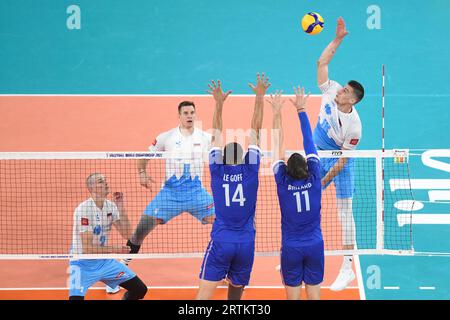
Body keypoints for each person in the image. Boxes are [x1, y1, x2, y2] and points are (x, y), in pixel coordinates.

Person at [106, 100, 216, 293]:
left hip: (197, 194)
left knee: (224, 223)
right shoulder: (167, 137)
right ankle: (118, 275)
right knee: (140, 231)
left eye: (192, 112)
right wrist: (141, 173)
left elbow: (220, 149)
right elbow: (145, 154)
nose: (189, 116)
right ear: (179, 116)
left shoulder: (205, 137)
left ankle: (222, 270)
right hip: (169, 195)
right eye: (186, 113)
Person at [196, 74, 270, 300]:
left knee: (204, 296)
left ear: (223, 158)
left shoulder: (217, 172)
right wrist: (259, 97)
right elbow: (256, 131)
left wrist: (218, 104)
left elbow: (216, 135)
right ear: (244, 157)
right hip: (246, 242)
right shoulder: (250, 171)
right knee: (236, 295)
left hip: (222, 240)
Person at [314, 17, 365, 291]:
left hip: (340, 163)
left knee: (345, 212)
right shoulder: (331, 90)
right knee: (306, 202)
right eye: (342, 87)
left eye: (345, 91)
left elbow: (344, 159)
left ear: (352, 100)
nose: (340, 89)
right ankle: (303, 252)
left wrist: (324, 181)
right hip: (316, 154)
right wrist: (338, 39)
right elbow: (321, 64)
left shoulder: (354, 126)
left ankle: (347, 267)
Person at [268, 87, 323, 300]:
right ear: (308, 167)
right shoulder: (315, 177)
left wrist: (276, 113)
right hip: (314, 245)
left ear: (287, 169)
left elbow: (277, 145)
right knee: (315, 295)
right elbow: (309, 142)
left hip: (291, 247)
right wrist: (301, 110)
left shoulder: (283, 182)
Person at [68, 173, 147, 300]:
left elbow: (127, 234)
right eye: (101, 181)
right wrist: (115, 249)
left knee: (140, 290)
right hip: (82, 264)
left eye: (105, 180)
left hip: (104, 262)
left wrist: (121, 208)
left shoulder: (110, 206)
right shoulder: (83, 210)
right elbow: (87, 249)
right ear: (91, 188)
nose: (106, 183)